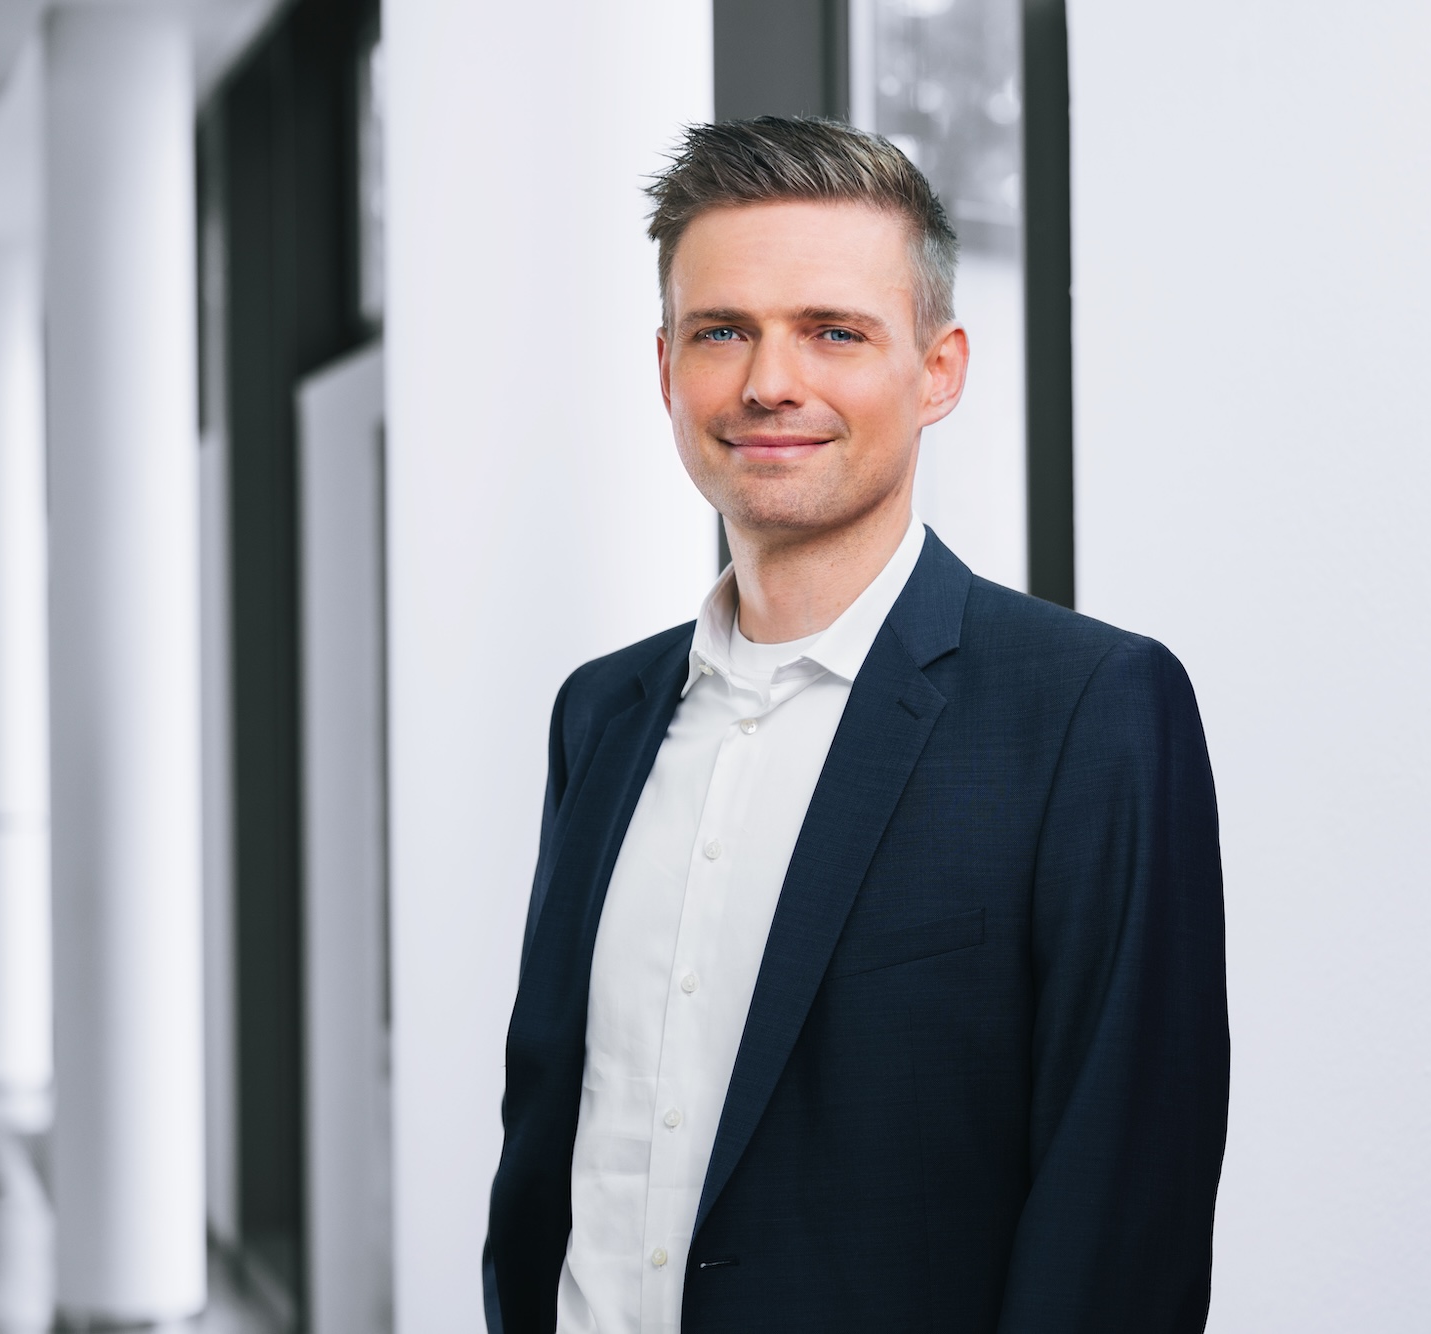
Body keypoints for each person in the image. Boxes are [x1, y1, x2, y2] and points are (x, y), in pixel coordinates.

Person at [482, 116, 1226, 1334]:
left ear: (938, 369)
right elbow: (553, 1131)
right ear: (665, 368)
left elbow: (1118, 1224)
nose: (769, 381)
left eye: (833, 330)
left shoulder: (1089, 711)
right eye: (722, 331)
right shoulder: (599, 715)